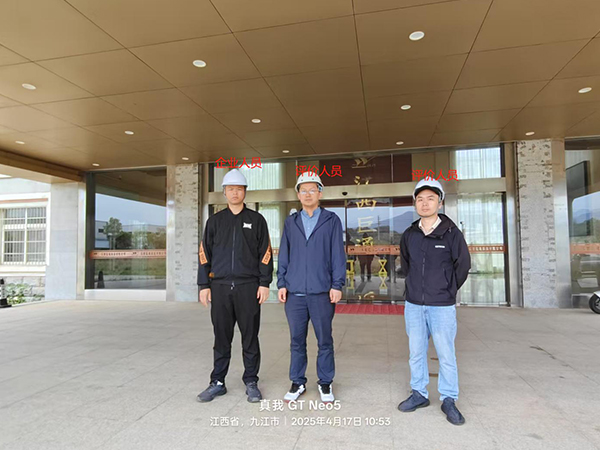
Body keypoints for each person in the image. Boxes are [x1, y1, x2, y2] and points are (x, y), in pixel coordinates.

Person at [398, 178, 471, 426]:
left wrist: (447, 289)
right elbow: (406, 265)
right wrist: (414, 288)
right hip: (414, 304)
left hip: (442, 305)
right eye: (420, 199)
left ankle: (449, 398)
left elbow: (462, 266)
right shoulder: (410, 234)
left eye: (430, 198)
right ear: (415, 204)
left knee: (445, 354)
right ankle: (419, 393)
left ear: (440, 203)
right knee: (416, 352)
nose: (425, 203)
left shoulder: (452, 234)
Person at [196, 169, 273, 404]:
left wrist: (264, 283)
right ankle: (217, 382)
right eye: (231, 189)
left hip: (248, 287)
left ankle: (251, 381)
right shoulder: (215, 221)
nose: (235, 193)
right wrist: (204, 284)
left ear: (244, 192)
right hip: (219, 287)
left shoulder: (256, 220)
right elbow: (204, 253)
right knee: (221, 337)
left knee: (250, 337)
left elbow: (266, 253)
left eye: (239, 189)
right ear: (225, 192)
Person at [277, 172, 346, 403]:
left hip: (321, 293)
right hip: (295, 293)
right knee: (296, 341)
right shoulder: (291, 222)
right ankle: (297, 382)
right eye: (303, 190)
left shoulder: (331, 220)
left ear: (320, 193)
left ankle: (325, 382)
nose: (308, 194)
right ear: (298, 195)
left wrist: (337, 284)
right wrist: (281, 283)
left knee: (324, 340)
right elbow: (284, 254)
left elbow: (337, 255)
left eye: (312, 190)